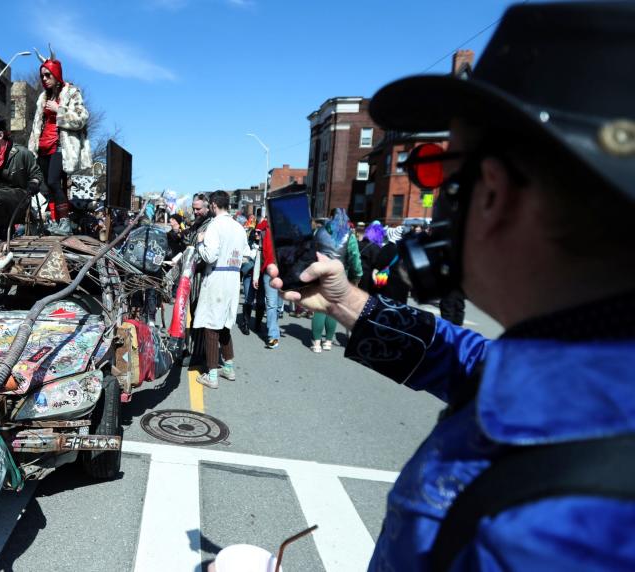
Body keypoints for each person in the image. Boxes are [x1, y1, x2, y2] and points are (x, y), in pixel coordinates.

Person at [272, 3, 635, 569]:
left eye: (440, 170)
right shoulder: (585, 372)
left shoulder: (555, 535)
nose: (437, 196)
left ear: (492, 192)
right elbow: (465, 359)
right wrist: (349, 301)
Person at [28, 45, 91, 235]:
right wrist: (33, 148)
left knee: (54, 181)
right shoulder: (42, 97)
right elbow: (36, 126)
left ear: (56, 74)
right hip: (43, 147)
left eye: (48, 75)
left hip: (60, 146)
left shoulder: (71, 92)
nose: (44, 79)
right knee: (46, 185)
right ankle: (54, 222)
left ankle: (64, 223)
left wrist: (59, 110)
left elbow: (82, 117)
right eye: (42, 76)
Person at [193, 191, 249, 389]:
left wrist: (200, 242)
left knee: (211, 325)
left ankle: (212, 374)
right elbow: (247, 254)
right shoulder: (238, 226)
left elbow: (209, 255)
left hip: (217, 276)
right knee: (225, 322)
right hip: (233, 277)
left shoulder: (215, 225)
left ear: (214, 205)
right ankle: (229, 367)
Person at [0, 117, 43, 236]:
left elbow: (36, 174)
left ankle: (3, 230)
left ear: (0, 135)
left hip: (19, 198)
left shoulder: (22, 153)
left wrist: (34, 183)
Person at [310, 208, 361, 353]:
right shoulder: (349, 235)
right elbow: (354, 257)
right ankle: (328, 341)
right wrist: (356, 276)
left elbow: (310, 252)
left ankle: (316, 343)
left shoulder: (318, 232)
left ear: (330, 217)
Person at [251, 218, 280, 347]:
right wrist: (256, 276)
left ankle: (273, 329)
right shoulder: (262, 229)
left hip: (282, 270)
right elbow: (260, 253)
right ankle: (273, 336)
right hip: (268, 270)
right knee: (272, 304)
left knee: (277, 304)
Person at [358, 221, 385, 293]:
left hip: (357, 273)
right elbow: (376, 264)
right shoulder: (376, 247)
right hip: (367, 278)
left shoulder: (360, 243)